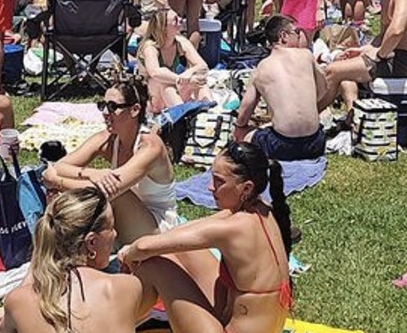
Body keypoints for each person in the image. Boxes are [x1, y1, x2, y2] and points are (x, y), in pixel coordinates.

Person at [118, 141, 293, 333]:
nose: (210, 187)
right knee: (173, 252)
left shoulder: (234, 227)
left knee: (154, 265)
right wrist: (144, 248)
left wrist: (129, 253)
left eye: (218, 181)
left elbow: (144, 248)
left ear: (246, 188)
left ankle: (113, 323)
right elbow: (186, 231)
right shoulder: (261, 209)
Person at [0, 187, 161, 333]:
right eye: (112, 227)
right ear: (91, 242)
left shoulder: (18, 301)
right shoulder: (126, 287)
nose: (116, 234)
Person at [42, 75, 178, 242]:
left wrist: (57, 182)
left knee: (114, 194)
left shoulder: (150, 146)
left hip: (156, 227)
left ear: (135, 110)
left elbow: (108, 191)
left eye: (113, 107)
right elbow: (59, 166)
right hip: (125, 218)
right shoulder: (108, 139)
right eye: (103, 106)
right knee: (72, 193)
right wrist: (91, 173)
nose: (105, 112)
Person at [234, 14, 327, 160]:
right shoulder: (306, 55)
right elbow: (322, 89)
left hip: (282, 146)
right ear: (283, 36)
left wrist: (240, 128)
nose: (300, 37)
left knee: (243, 133)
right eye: (296, 32)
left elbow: (243, 114)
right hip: (315, 143)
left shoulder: (261, 68)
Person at [136, 7, 209, 112]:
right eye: (175, 19)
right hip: (152, 99)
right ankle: (182, 116)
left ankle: (208, 111)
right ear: (164, 27)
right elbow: (155, 73)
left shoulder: (180, 42)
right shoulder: (150, 47)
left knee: (199, 81)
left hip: (172, 93)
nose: (180, 19)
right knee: (165, 82)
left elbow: (203, 66)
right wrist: (180, 79)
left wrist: (189, 73)